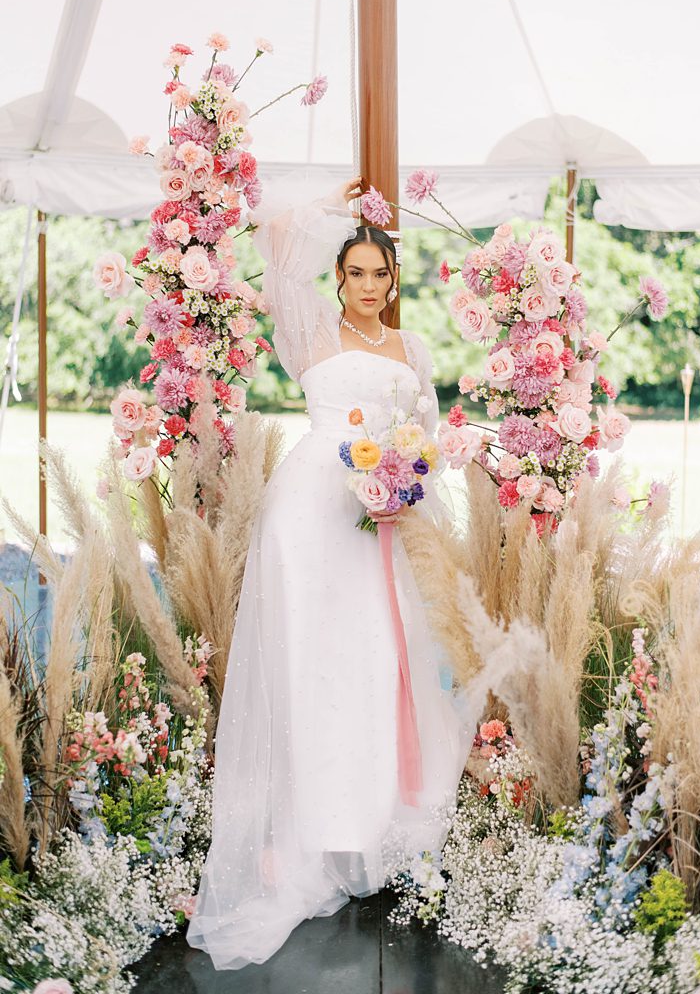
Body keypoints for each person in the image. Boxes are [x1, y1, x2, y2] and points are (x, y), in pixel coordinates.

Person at [186, 174, 479, 969]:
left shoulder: (411, 348)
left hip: (377, 516)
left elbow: (421, 433)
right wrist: (329, 202)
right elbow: (276, 252)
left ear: (393, 279)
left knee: (375, 661)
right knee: (309, 663)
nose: (369, 288)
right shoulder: (311, 329)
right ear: (339, 278)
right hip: (311, 510)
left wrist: (406, 484)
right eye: (355, 273)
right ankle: (310, 836)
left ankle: (367, 827)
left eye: (381, 274)